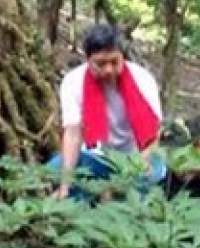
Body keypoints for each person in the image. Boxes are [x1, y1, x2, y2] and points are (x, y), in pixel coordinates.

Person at [49, 24, 166, 201]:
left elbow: (154, 135)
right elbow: (73, 135)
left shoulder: (143, 80)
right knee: (52, 170)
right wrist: (65, 184)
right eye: (101, 64)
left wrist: (129, 175)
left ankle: (107, 197)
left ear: (122, 57)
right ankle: (83, 198)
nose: (108, 70)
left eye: (114, 62)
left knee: (145, 181)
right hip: (96, 156)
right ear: (88, 60)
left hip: (135, 160)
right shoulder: (73, 82)